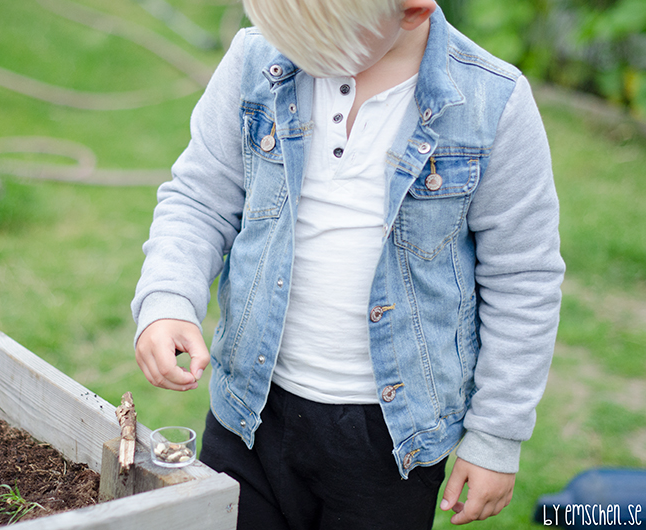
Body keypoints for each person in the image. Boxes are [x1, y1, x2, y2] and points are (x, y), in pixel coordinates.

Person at [131, 0, 565, 527]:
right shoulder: (256, 61)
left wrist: (496, 434)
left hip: (391, 443)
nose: (298, 60)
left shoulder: (492, 101)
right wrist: (168, 298)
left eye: (320, 48)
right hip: (249, 415)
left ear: (410, 13)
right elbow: (199, 197)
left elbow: (523, 278)